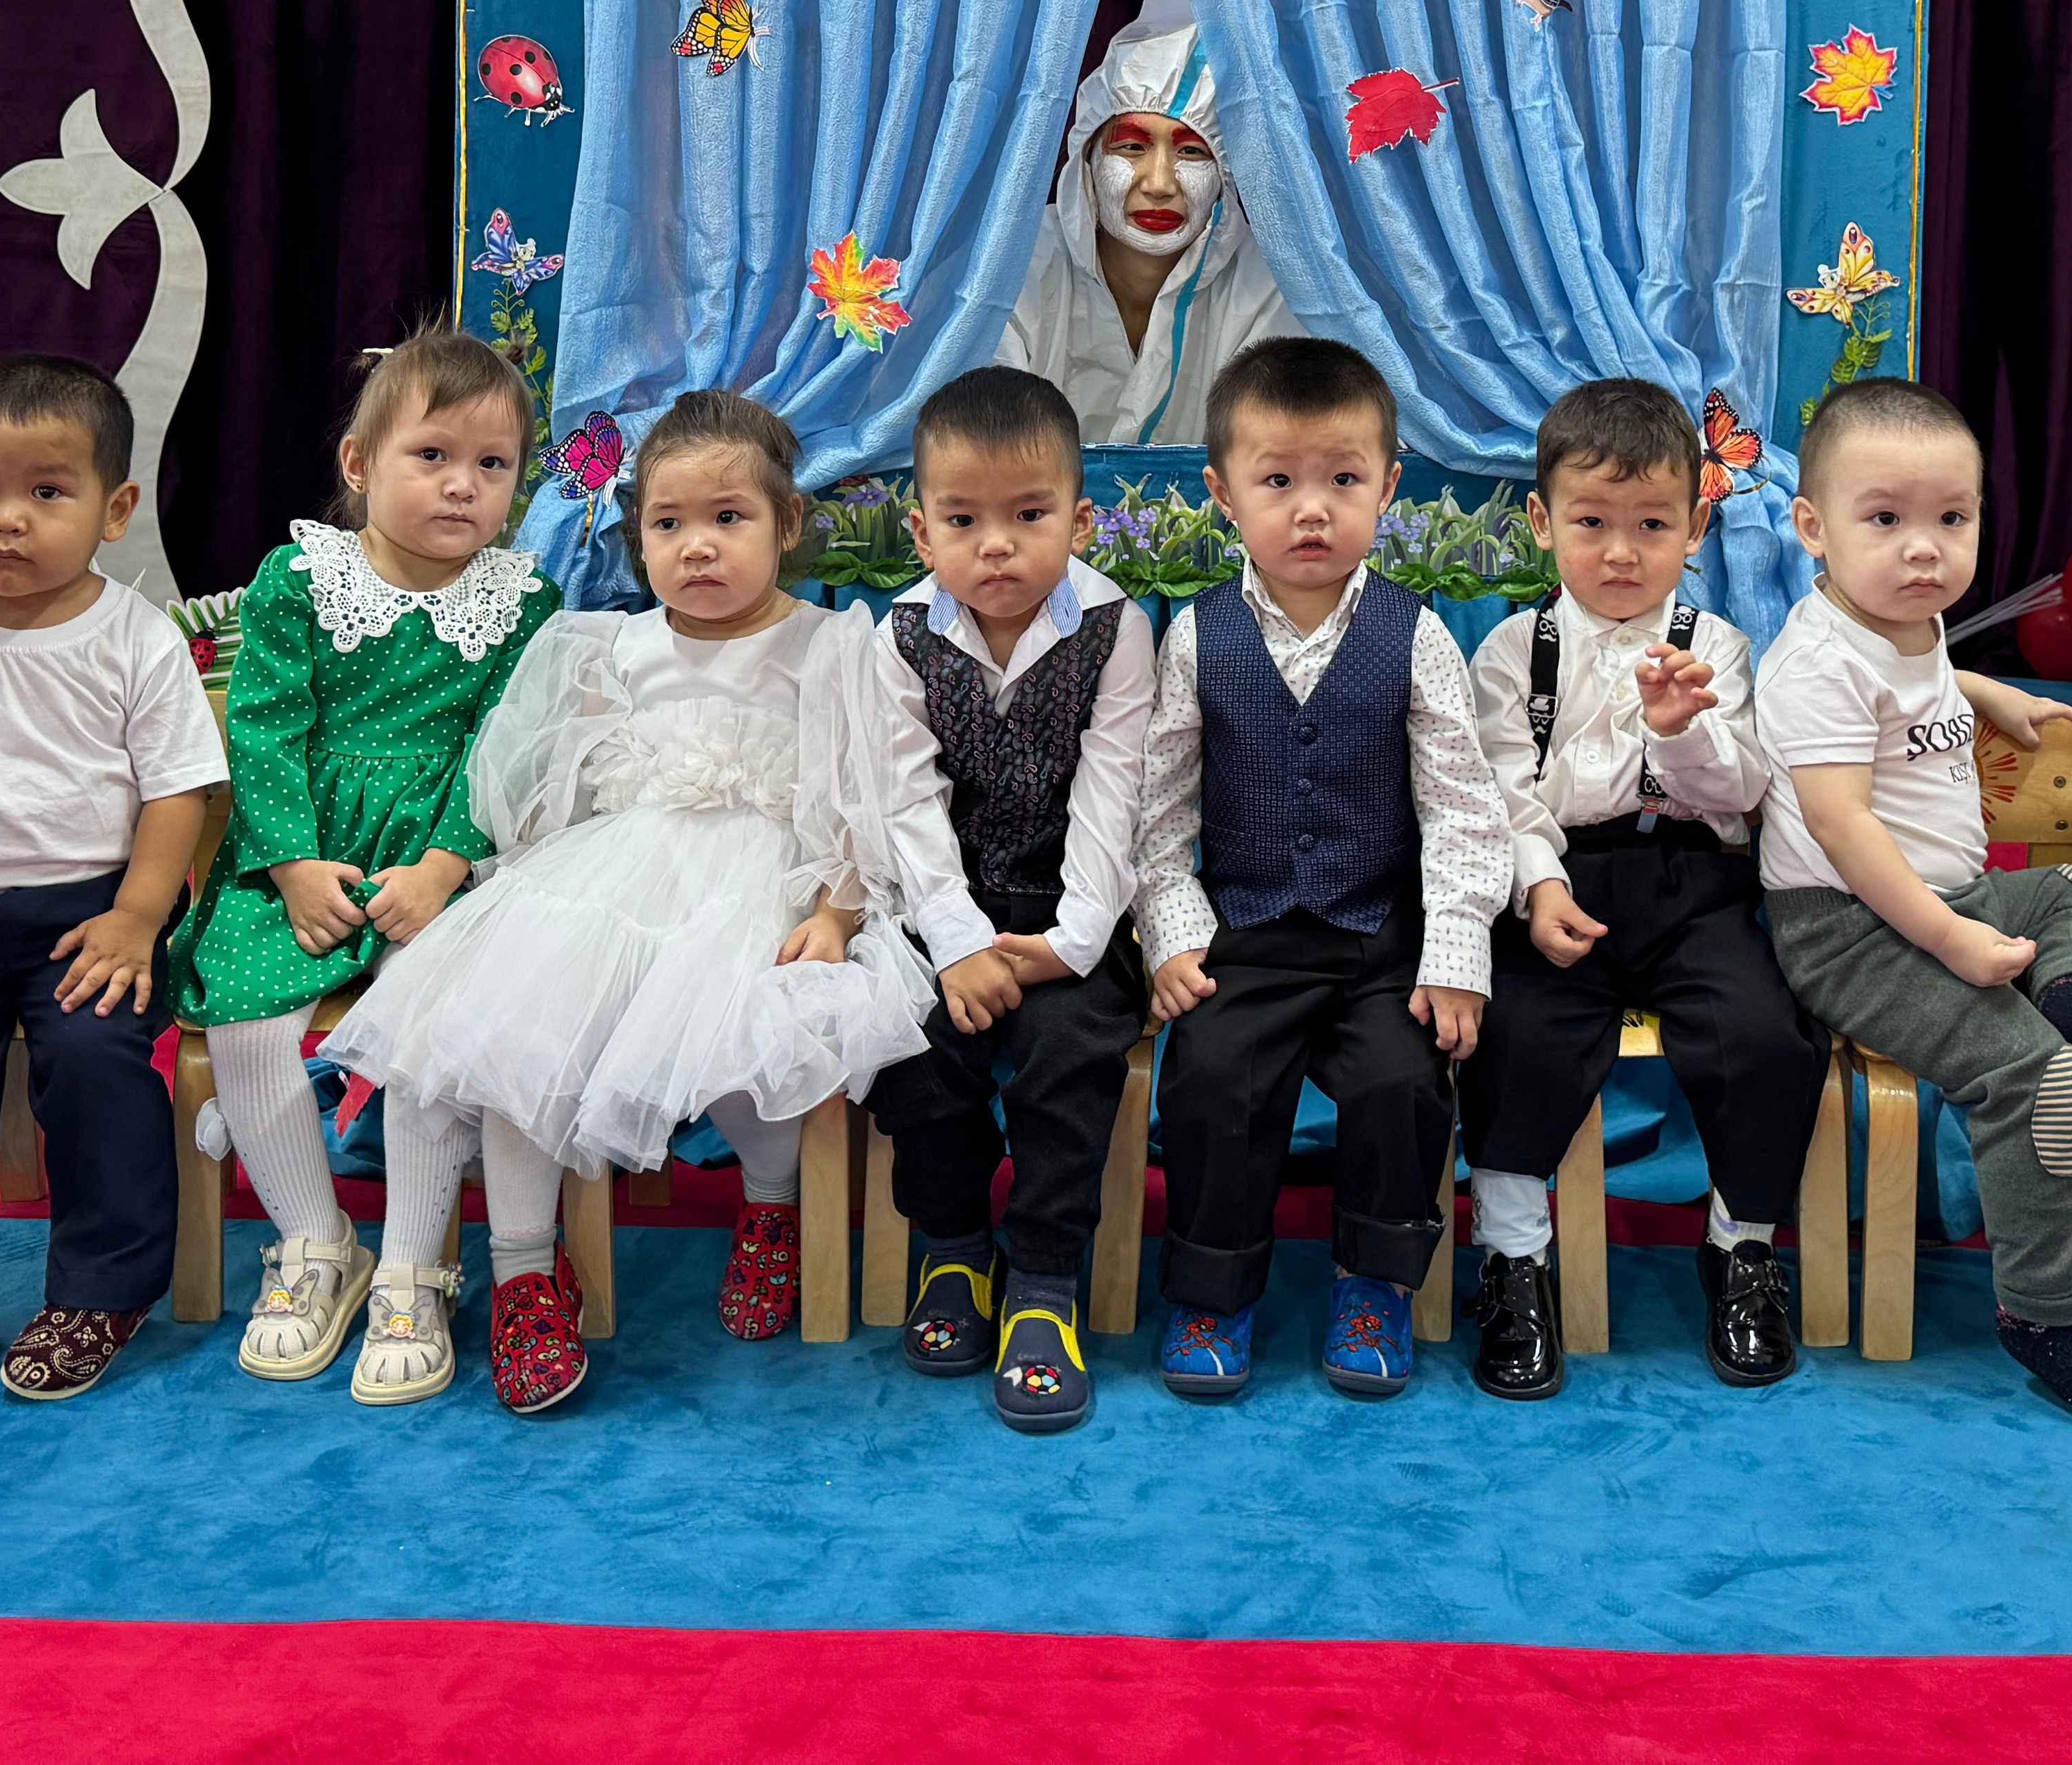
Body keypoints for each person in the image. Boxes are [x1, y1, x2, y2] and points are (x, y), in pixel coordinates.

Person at [321, 389, 930, 1414]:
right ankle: (525, 1270)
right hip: (620, 875)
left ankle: (771, 1204)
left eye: (728, 518)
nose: (698, 547)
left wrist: (836, 913)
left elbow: (860, 796)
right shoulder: (611, 646)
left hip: (766, 885)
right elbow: (560, 794)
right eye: (668, 524)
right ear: (636, 536)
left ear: (786, 523)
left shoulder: (831, 644)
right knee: (520, 1027)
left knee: (757, 1027)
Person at [1753, 377, 2072, 1435]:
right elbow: (1844, 827)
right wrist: (1953, 938)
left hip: (1949, 898)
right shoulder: (1814, 664)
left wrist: (1985, 689)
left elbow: (1912, 684)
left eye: (1952, 520)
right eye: (1886, 520)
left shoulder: (1905, 623)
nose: (1925, 549)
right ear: (1813, 528)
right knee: (2041, 1080)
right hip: (1852, 932)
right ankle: (2046, 1315)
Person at [163, 323, 560, 1395]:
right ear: (359, 464)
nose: (462, 485)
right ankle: (314, 1242)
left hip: (444, 862)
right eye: (432, 455)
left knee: (435, 1019)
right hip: (302, 852)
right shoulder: (300, 579)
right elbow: (263, 729)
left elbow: (505, 746)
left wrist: (445, 867)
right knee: (248, 1015)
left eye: (492, 465)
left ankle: (413, 1266)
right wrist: (292, 866)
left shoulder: (524, 604)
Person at [1134, 336, 1512, 1402]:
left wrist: (1453, 953)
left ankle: (1373, 1283)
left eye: (1343, 481)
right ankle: (1212, 1291)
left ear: (1387, 488)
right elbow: (1157, 816)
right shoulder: (1198, 638)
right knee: (1212, 1077)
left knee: (1402, 1082)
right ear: (1223, 495)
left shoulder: (1416, 635)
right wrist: (1173, 936)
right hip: (1247, 937)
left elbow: (1463, 809)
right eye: (1278, 483)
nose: (1312, 511)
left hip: (1378, 939)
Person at [0, 353, 228, 1419]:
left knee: (97, 1064)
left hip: (96, 912)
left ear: (115, 511)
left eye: (47, 492)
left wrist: (137, 918)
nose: (8, 520)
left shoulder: (138, 639)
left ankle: (101, 1293)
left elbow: (178, 796)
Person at [1456, 379, 1822, 1401]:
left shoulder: (1719, 647)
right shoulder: (1511, 652)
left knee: (1765, 1034)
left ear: (1696, 529)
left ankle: (1741, 1246)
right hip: (1559, 885)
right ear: (1543, 523)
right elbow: (1500, 793)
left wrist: (1681, 732)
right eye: (1592, 524)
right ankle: (1514, 1261)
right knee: (1513, 1033)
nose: (1621, 553)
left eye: (1652, 525)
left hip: (1691, 884)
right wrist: (1538, 889)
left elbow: (1743, 792)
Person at [839, 364, 1159, 1433]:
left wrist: (1072, 941)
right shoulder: (900, 638)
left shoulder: (1116, 630)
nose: (997, 548)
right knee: (913, 1044)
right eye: (963, 521)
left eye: (1029, 516)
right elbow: (906, 805)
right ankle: (953, 1246)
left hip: (1073, 911)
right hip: (945, 905)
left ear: (1080, 519)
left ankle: (1044, 1279)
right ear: (922, 531)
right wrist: (959, 943)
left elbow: (1116, 798)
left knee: (1071, 1054)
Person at [996, 0, 1291, 447]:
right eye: (1132, 147)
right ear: (1087, 158)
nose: (1159, 183)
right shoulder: (1017, 269)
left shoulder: (1268, 288)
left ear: (1226, 172)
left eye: (1192, 152)